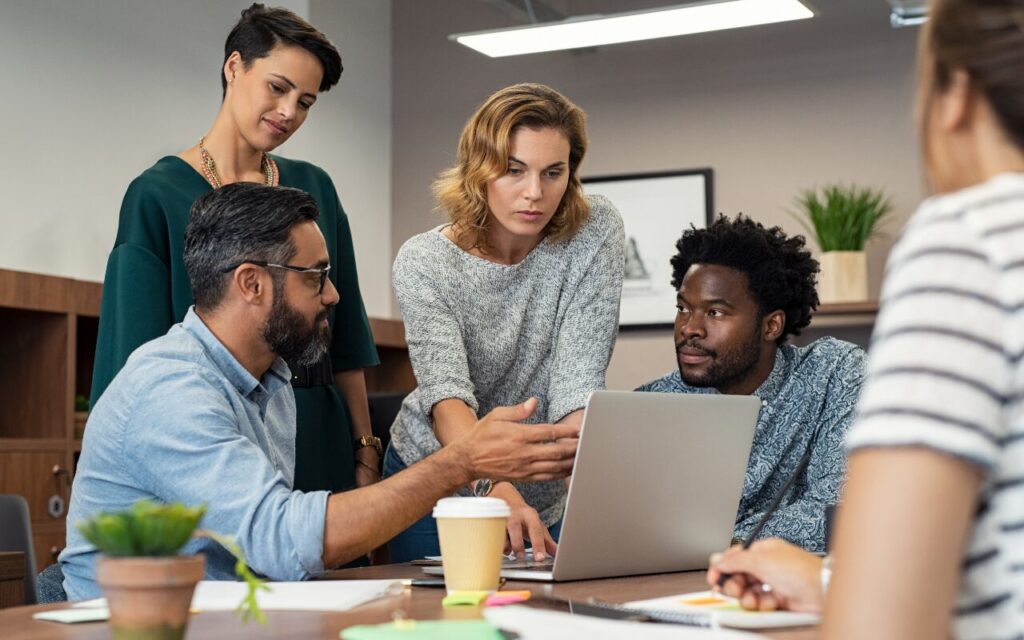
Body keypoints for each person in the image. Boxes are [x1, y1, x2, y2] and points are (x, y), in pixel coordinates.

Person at [61, 183, 580, 600]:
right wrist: (459, 461)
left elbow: (269, 553)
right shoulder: (169, 388)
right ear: (252, 283)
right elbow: (281, 538)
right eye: (316, 277)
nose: (332, 294)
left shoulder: (273, 379)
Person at [708, 1, 1024, 636]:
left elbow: (884, 626)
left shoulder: (969, 239)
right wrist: (834, 588)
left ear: (955, 95)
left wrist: (859, 601)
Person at [89, 4, 381, 500]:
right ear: (234, 67)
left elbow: (344, 333)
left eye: (306, 101)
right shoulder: (157, 194)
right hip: (210, 437)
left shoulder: (315, 190)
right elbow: (130, 358)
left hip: (318, 434)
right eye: (277, 87)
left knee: (338, 572)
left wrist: (366, 448)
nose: (290, 112)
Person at [383, 83, 625, 563]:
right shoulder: (425, 261)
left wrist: (596, 495)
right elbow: (447, 396)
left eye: (553, 172)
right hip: (440, 480)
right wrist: (496, 487)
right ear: (479, 170)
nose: (535, 193)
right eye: (514, 171)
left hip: (541, 489)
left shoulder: (595, 231)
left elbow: (578, 380)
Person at [638, 215, 865, 552]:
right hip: (666, 588)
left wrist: (725, 541)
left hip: (787, 589)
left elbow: (839, 509)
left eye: (715, 313)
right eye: (683, 309)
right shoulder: (650, 406)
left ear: (771, 325)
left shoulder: (833, 373)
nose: (689, 328)